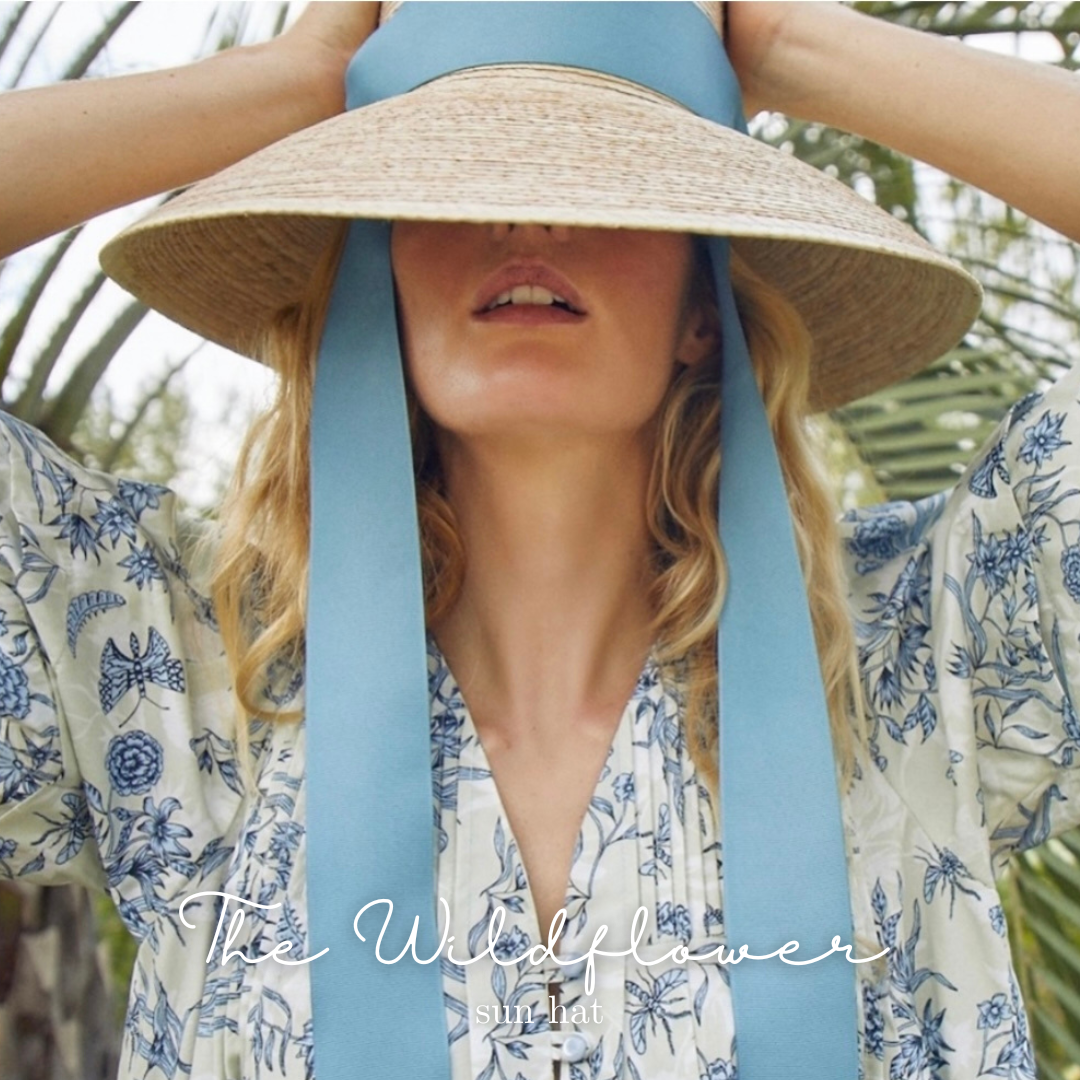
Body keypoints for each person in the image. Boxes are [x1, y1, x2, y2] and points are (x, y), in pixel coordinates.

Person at [1, 3, 1079, 1080]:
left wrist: (787, 42)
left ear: (703, 307)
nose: (525, 223)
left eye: (604, 177)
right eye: (447, 176)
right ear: (374, 273)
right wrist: (302, 80)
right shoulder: (172, 672)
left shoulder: (925, 657)